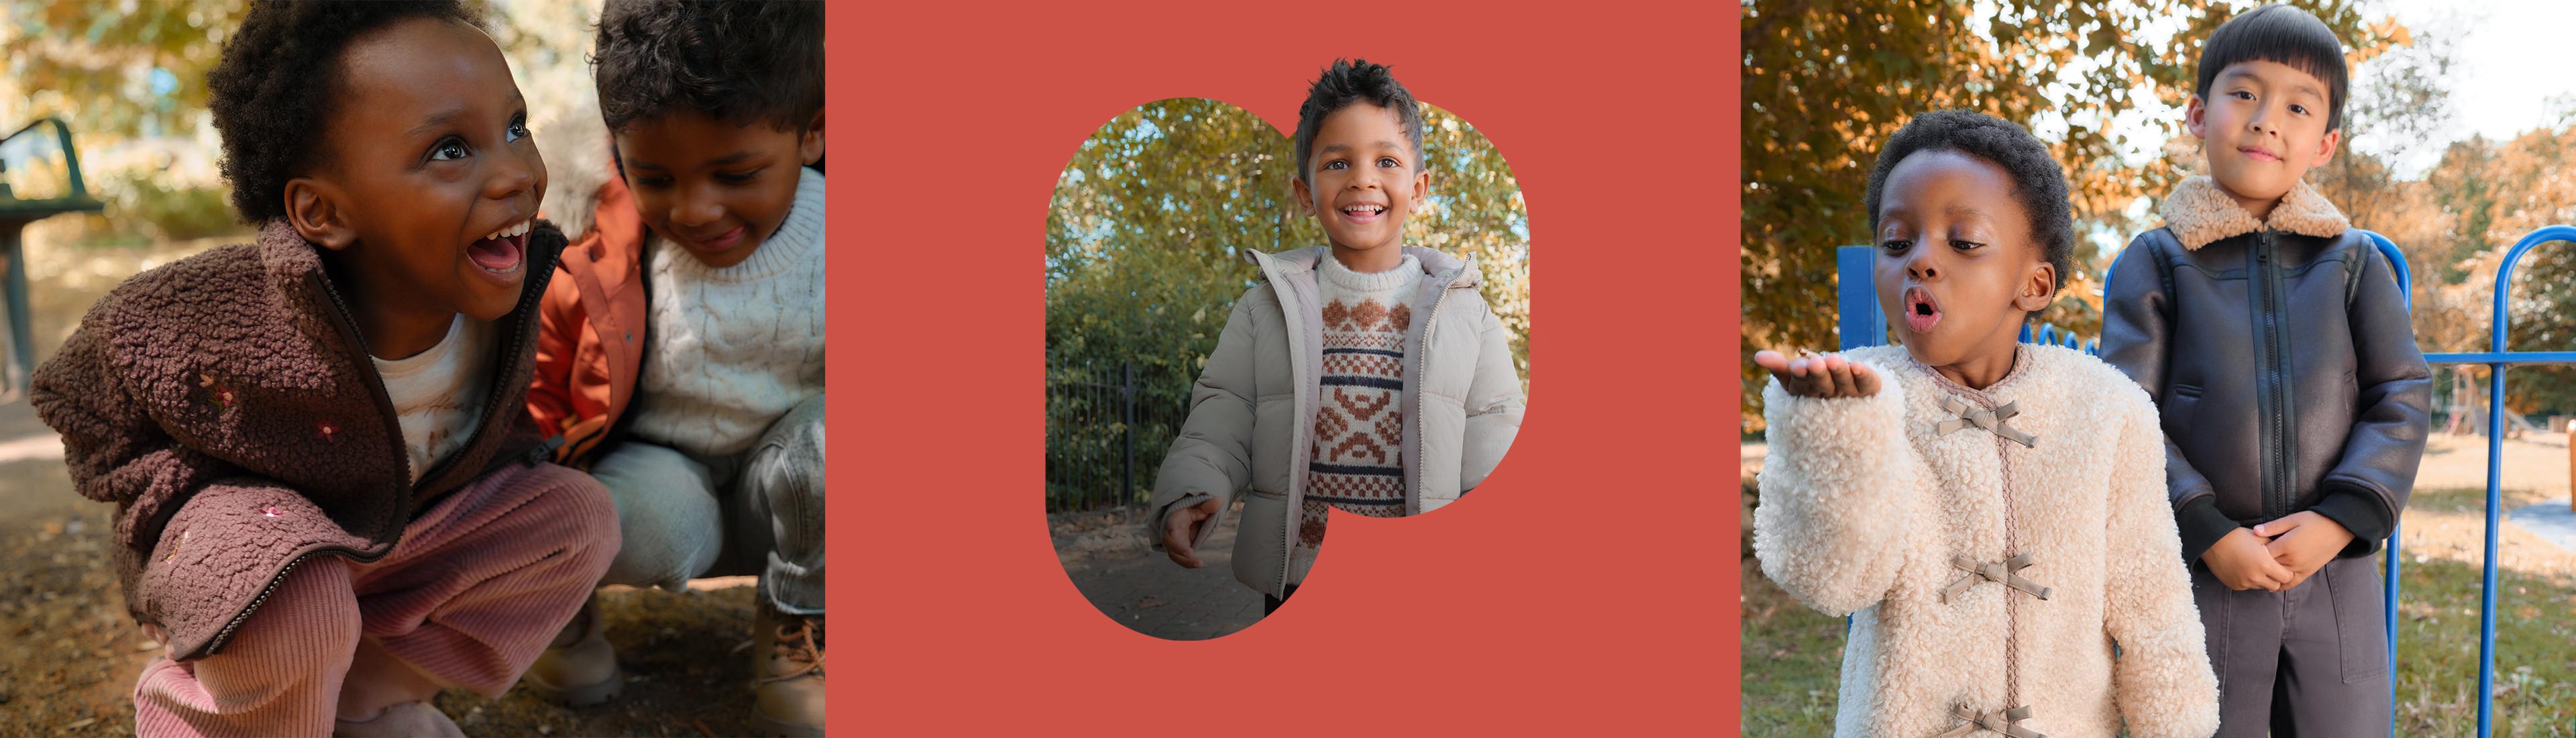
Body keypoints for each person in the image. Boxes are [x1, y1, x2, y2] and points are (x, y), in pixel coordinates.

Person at [30, 2, 619, 735]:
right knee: (299, 595)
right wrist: (179, 509)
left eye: (514, 128)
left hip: (390, 536)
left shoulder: (502, 298)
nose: (515, 173)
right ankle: (226, 715)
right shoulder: (213, 314)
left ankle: (356, 703)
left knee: (577, 516)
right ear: (322, 212)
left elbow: (488, 434)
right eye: (449, 150)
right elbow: (77, 391)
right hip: (256, 561)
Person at [1752, 110, 2219, 737]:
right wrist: (1831, 439)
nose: (1921, 260)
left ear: (2034, 283)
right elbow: (1833, 583)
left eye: (1963, 241)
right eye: (1897, 242)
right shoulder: (1858, 396)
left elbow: (2153, 608)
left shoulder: (2107, 408)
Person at [2098, 5, 2434, 735]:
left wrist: (2341, 517)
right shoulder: (2156, 261)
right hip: (2206, 569)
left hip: (2334, 569)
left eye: (2297, 105)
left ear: (2325, 142)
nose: (2266, 120)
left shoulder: (2353, 262)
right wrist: (2205, 527)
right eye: (2243, 93)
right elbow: (2124, 413)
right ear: (2198, 112)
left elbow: (2400, 392)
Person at [517, 1, 826, 734]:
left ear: (812, 132)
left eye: (737, 171)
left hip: (794, 487)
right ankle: (562, 611)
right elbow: (541, 394)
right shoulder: (595, 244)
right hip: (660, 462)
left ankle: (799, 619)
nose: (696, 208)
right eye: (654, 177)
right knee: (630, 524)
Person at [1145, 59, 1525, 615]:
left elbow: (1495, 427)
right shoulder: (1267, 306)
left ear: (1417, 189)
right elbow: (1224, 413)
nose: (1362, 179)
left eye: (1386, 160)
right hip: (1299, 576)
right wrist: (1192, 489)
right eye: (1338, 161)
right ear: (1305, 192)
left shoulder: (1465, 311)